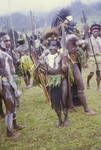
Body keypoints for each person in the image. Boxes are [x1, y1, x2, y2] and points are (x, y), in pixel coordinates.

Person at [39, 30, 69, 127]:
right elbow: (43, 70)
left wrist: (65, 66)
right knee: (55, 102)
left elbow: (65, 67)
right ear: (48, 47)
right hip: (52, 81)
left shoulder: (62, 55)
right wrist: (42, 70)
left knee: (64, 99)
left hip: (62, 79)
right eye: (51, 47)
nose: (53, 49)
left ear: (57, 47)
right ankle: (59, 119)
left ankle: (66, 118)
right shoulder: (45, 58)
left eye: (55, 46)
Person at [0, 46, 24, 138]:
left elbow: (12, 68)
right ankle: (9, 133)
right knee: (9, 108)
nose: (8, 43)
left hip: (11, 82)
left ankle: (15, 125)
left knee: (13, 105)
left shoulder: (8, 52)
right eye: (5, 41)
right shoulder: (1, 55)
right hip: (5, 83)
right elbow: (5, 71)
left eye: (9, 40)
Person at [87, 24, 101, 90]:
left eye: (97, 31)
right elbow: (85, 48)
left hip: (99, 57)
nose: (96, 32)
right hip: (92, 57)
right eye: (94, 31)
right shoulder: (89, 40)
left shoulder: (100, 39)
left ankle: (98, 87)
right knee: (91, 73)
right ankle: (88, 82)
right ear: (92, 32)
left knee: (98, 73)